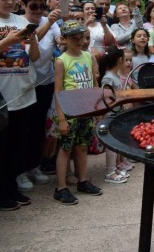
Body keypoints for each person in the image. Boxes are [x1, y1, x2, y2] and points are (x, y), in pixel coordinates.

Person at [0, 0, 40, 210]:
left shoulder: (21, 20)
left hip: (24, 93)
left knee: (17, 147)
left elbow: (35, 57)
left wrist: (31, 42)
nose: (9, 2)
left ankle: (11, 188)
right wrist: (8, 41)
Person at [53, 20, 103, 205]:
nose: (79, 41)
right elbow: (58, 91)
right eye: (74, 38)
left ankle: (83, 180)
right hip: (69, 111)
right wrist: (61, 118)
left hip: (86, 109)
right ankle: (61, 187)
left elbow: (94, 84)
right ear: (64, 39)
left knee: (82, 146)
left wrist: (98, 108)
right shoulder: (61, 61)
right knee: (66, 148)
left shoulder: (89, 57)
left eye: (81, 37)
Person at [19, 0, 62, 189]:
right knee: (23, 130)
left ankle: (34, 166)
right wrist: (51, 21)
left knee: (38, 129)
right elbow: (31, 45)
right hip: (25, 86)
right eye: (33, 6)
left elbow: (59, 42)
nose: (38, 11)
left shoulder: (48, 21)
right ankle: (20, 171)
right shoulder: (19, 23)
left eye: (42, 6)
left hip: (46, 82)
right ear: (23, 6)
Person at [98, 46, 129, 184]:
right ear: (119, 60)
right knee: (111, 144)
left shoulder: (114, 75)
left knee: (116, 142)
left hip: (116, 113)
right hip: (110, 115)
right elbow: (106, 99)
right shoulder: (108, 78)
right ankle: (109, 171)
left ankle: (115, 167)